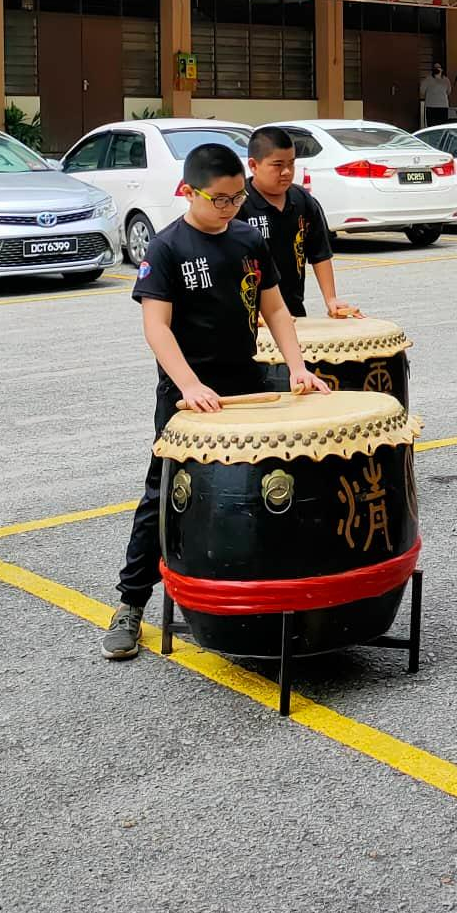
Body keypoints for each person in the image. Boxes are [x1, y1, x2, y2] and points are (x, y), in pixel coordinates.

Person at [104, 143, 328, 660]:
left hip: (246, 387)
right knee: (163, 496)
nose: (230, 208)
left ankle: (263, 600)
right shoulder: (166, 249)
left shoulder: (248, 242)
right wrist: (188, 385)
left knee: (260, 492)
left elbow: (276, 311)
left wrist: (297, 367)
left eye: (236, 199)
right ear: (188, 191)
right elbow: (156, 328)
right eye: (220, 200)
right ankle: (130, 605)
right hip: (187, 398)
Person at [237, 125, 358, 321]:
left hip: (292, 307)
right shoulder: (238, 203)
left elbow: (320, 253)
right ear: (253, 165)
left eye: (291, 164)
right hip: (249, 314)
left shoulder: (302, 200)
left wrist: (331, 299)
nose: (286, 171)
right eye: (277, 165)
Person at [421, 63, 453, 127]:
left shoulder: (446, 80)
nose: (436, 69)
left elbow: (449, 91)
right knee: (431, 126)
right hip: (431, 106)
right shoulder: (428, 79)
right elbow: (422, 90)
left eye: (438, 67)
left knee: (442, 126)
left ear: (441, 69)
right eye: (435, 67)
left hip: (443, 106)